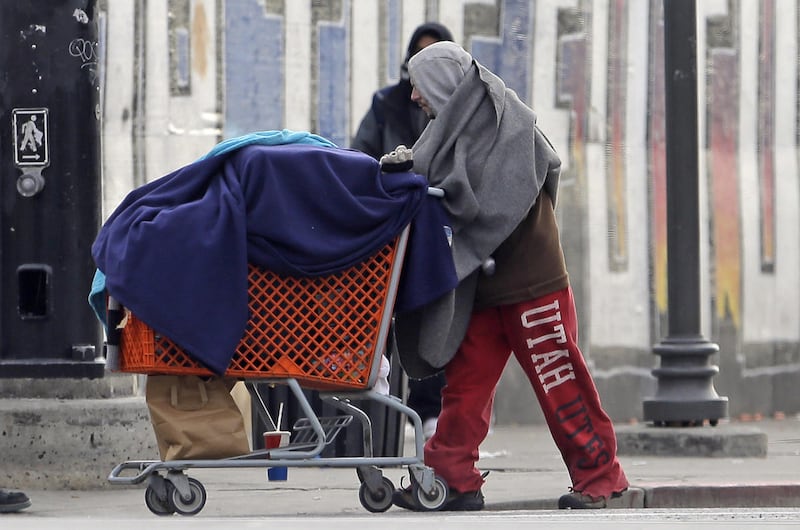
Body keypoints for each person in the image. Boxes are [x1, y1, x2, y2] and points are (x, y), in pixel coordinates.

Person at [391, 41, 630, 511]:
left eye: (421, 85)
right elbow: (439, 182)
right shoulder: (451, 127)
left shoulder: (510, 125)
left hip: (529, 283)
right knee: (465, 385)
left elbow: (488, 202)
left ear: (443, 82)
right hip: (483, 282)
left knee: (560, 381)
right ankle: (452, 478)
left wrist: (424, 185)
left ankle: (603, 477)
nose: (415, 96)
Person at [351, 22, 454, 440]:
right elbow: (360, 154)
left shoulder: (457, 110)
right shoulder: (388, 104)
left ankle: (429, 410)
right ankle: (384, 412)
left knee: (433, 313)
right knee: (385, 317)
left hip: (435, 227)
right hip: (392, 224)